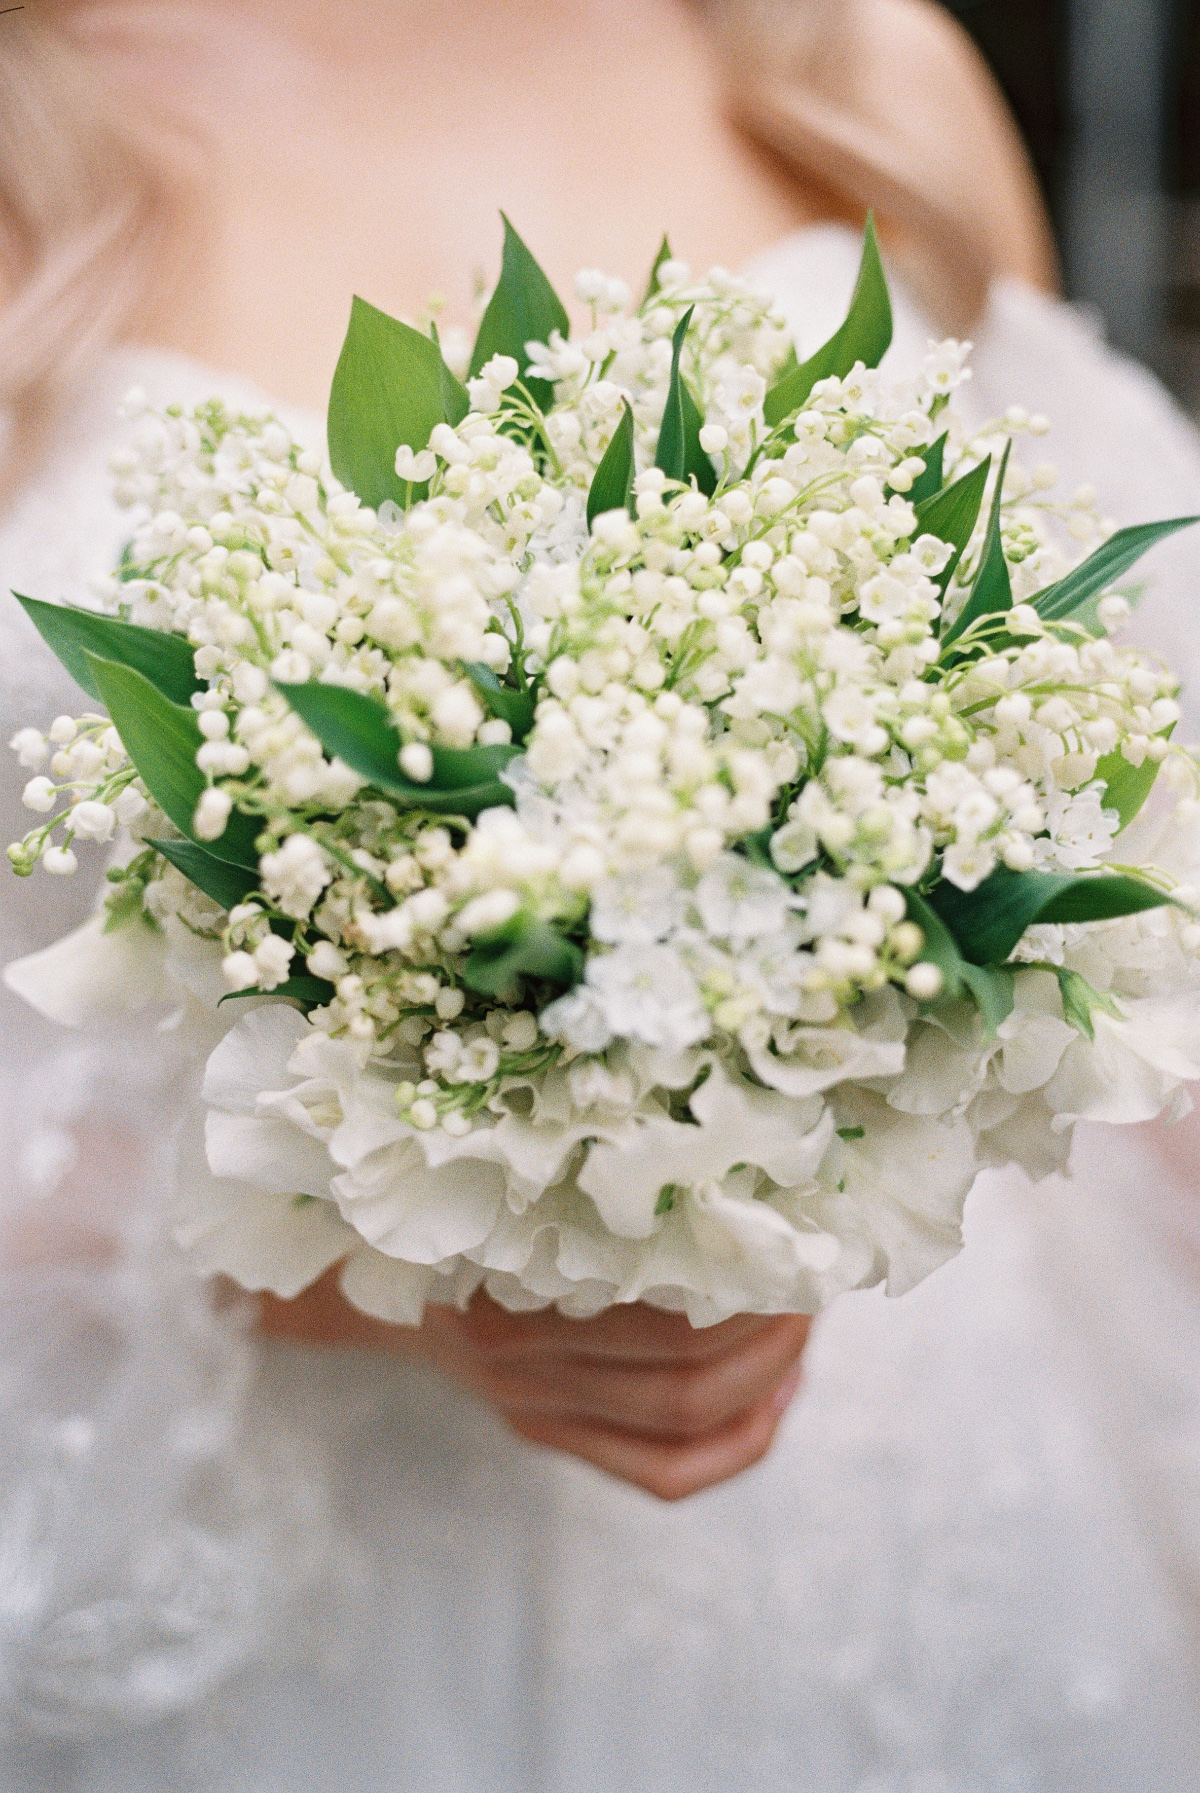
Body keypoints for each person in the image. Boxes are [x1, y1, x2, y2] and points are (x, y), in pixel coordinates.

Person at [2, 2, 1200, 1787]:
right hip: (286, 1562)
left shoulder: (854, 69)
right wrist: (335, 1263)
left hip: (906, 1484)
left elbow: (1113, 789)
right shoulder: (42, 123)